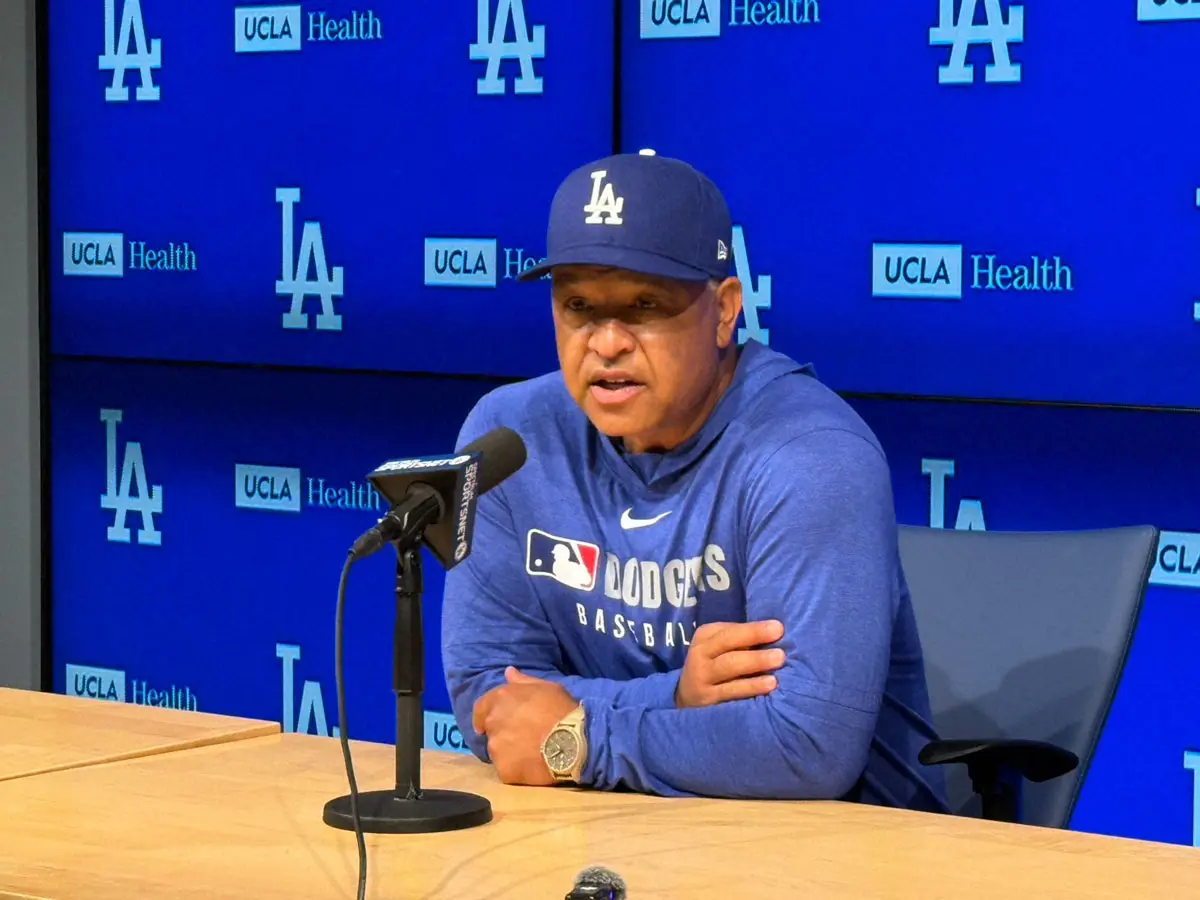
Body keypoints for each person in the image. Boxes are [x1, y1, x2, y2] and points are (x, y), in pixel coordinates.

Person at [439, 151, 948, 812]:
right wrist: (676, 695)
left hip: (841, 845)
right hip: (614, 826)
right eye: (578, 306)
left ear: (726, 310)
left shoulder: (809, 455)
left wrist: (579, 740)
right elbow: (493, 701)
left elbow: (806, 748)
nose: (607, 342)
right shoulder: (512, 437)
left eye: (645, 306)